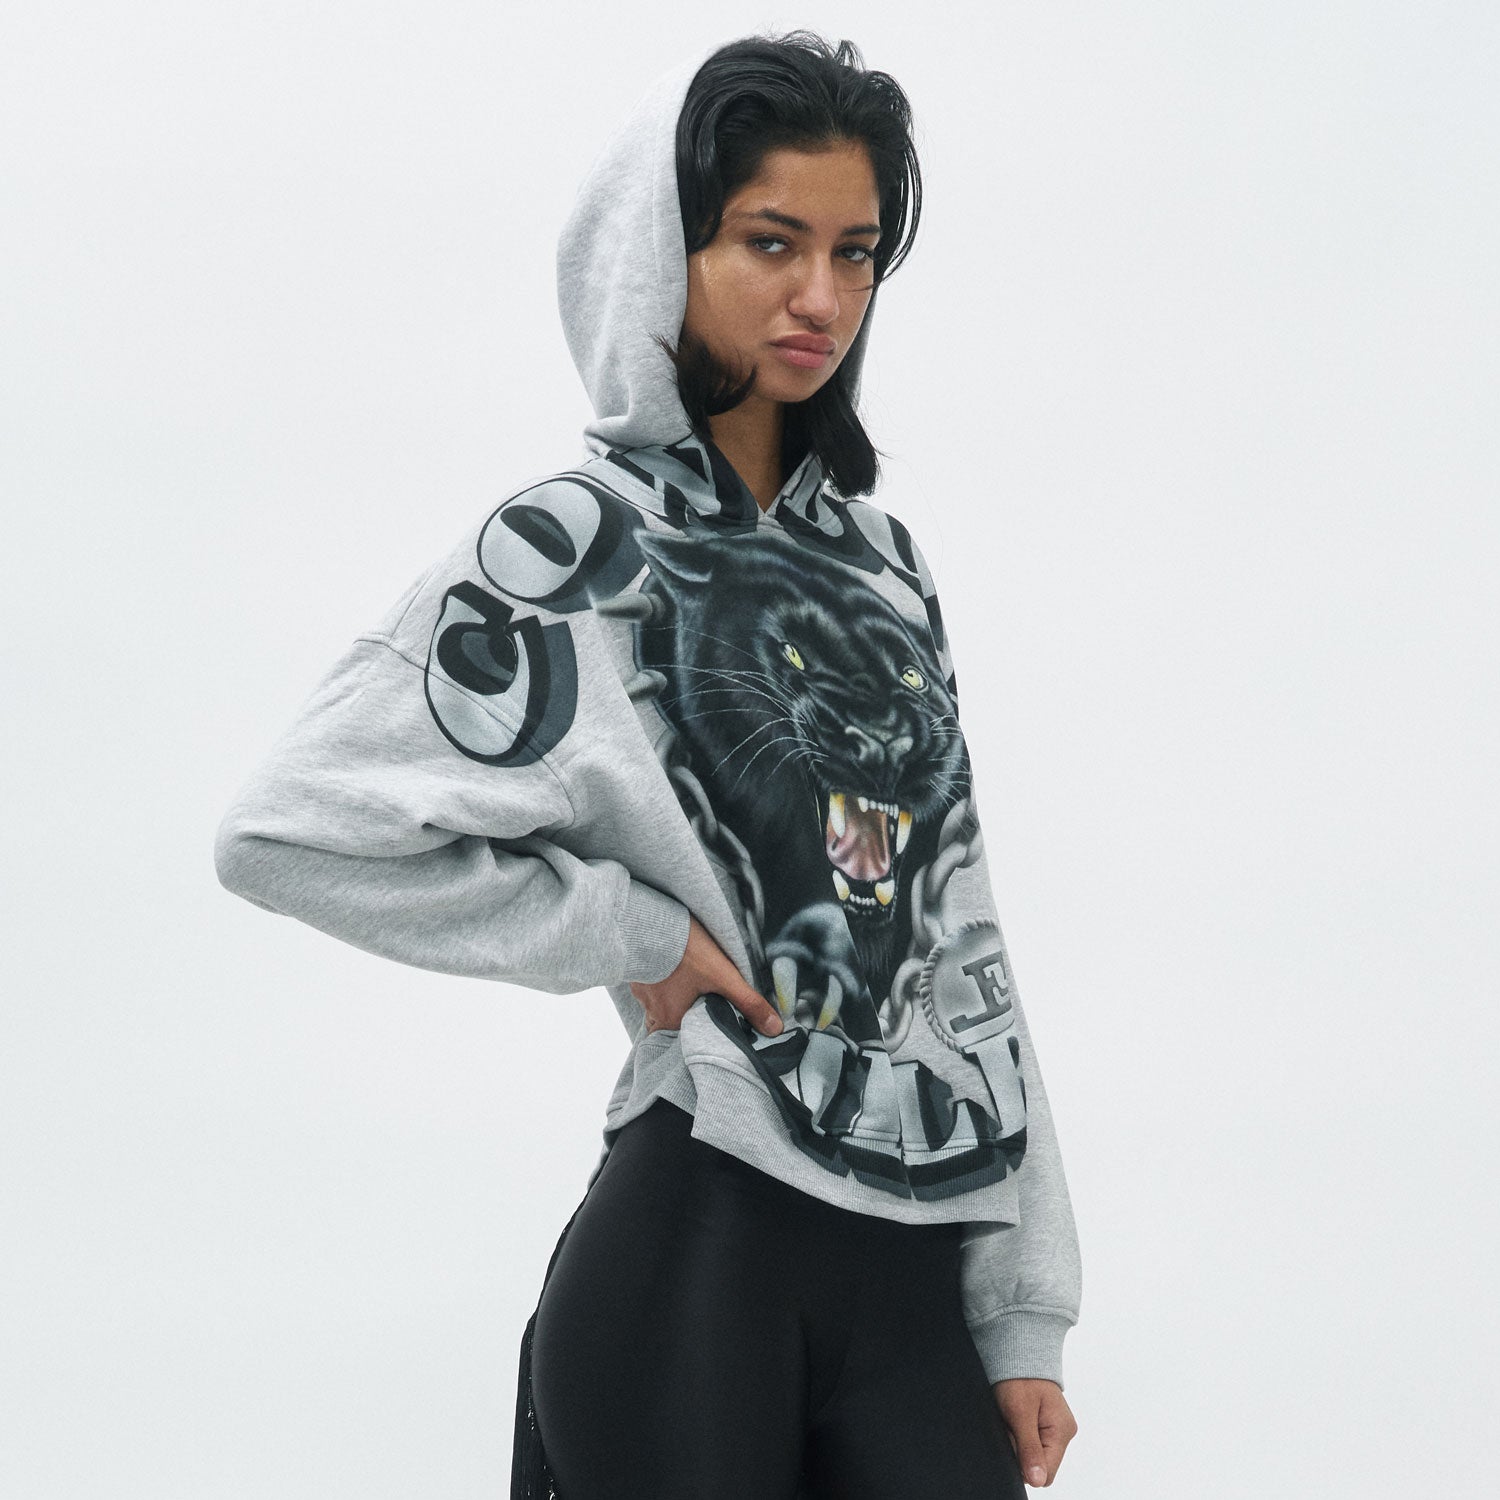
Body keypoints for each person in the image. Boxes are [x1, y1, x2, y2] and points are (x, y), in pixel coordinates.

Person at [214, 28, 1083, 1500]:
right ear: (660, 250)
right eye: (770, 242)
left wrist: (1019, 1308)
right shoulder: (569, 553)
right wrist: (631, 934)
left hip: (910, 1266)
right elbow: (287, 831)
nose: (822, 297)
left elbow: (952, 930)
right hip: (697, 1255)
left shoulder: (886, 572)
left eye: (856, 253)